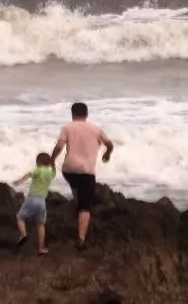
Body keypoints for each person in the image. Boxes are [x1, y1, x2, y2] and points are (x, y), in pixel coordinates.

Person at [50, 102, 114, 250]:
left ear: (72, 114)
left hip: (68, 170)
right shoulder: (96, 130)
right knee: (85, 206)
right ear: (86, 114)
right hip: (86, 171)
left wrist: (52, 160)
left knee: (76, 186)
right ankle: (81, 239)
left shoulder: (67, 128)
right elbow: (110, 144)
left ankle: (77, 202)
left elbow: (59, 146)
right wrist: (107, 153)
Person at [12, 152, 56, 255]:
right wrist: (53, 163)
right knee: (40, 224)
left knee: (20, 217)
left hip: (31, 199)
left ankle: (23, 234)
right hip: (42, 202)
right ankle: (41, 248)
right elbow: (54, 171)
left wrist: (19, 182)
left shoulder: (38, 169)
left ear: (38, 162)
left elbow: (29, 175)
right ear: (49, 163)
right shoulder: (50, 173)